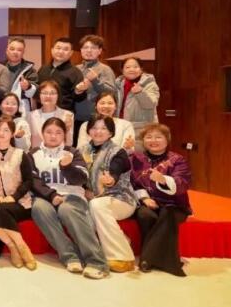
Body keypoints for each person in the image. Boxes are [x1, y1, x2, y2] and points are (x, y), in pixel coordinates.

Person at [29, 117, 108, 279]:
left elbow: (81, 179)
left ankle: (96, 261)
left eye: (58, 132)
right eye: (49, 132)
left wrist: (66, 167)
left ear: (64, 135)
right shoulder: (32, 153)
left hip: (71, 195)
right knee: (38, 208)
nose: (53, 136)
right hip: (45, 196)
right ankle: (70, 257)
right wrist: (52, 195)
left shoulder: (73, 152)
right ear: (42, 133)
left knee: (67, 210)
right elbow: (32, 180)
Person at [130, 123, 192, 276]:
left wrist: (164, 180)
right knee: (145, 215)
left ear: (167, 139)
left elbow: (183, 183)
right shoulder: (136, 159)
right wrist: (144, 198)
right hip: (147, 202)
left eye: (158, 137)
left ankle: (148, 259)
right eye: (149, 137)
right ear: (143, 141)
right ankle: (159, 259)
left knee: (167, 215)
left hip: (174, 204)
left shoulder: (177, 159)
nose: (153, 141)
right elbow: (132, 183)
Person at [79, 115, 136, 273]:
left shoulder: (118, 152)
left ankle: (122, 257)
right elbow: (78, 175)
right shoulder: (82, 151)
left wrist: (110, 179)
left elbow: (116, 169)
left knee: (97, 205)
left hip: (120, 199)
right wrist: (84, 190)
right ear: (88, 130)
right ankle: (99, 251)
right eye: (94, 128)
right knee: (81, 208)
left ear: (111, 132)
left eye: (104, 128)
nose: (98, 131)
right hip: (91, 198)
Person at [0, 116, 37, 270]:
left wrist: (13, 197)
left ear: (12, 134)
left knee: (0, 210)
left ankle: (22, 247)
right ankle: (13, 247)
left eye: (6, 130)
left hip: (20, 202)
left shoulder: (20, 154)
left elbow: (28, 181)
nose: (1, 133)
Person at [73, 35, 116, 144]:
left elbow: (111, 93)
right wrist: (77, 90)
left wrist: (95, 80)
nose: (89, 50)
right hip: (76, 119)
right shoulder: (75, 69)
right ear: (81, 50)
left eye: (93, 48)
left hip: (98, 120)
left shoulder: (105, 69)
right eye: (85, 47)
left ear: (99, 51)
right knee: (80, 148)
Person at [115, 57, 160, 151]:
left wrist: (140, 92)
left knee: (139, 157)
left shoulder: (149, 84)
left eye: (135, 67)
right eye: (128, 67)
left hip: (142, 130)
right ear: (122, 70)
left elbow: (151, 104)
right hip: (121, 128)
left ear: (141, 69)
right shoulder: (118, 84)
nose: (132, 69)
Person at [36, 38, 85, 113]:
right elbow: (37, 91)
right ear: (52, 50)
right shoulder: (43, 69)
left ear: (71, 53)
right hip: (41, 112)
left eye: (65, 49)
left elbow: (79, 99)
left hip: (64, 114)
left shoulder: (75, 72)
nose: (61, 51)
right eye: (58, 48)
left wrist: (79, 91)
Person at [27, 81, 74, 148]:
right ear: (39, 96)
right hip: (37, 153)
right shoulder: (31, 116)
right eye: (44, 93)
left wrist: (67, 130)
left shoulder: (67, 115)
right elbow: (27, 143)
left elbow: (69, 143)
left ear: (58, 96)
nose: (48, 96)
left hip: (60, 153)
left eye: (52, 93)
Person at [4, 37, 39, 117]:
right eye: (12, 49)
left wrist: (28, 86)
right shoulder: (0, 68)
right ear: (7, 51)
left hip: (22, 111)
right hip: (3, 110)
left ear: (23, 52)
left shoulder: (29, 70)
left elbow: (37, 91)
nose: (15, 52)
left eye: (19, 50)